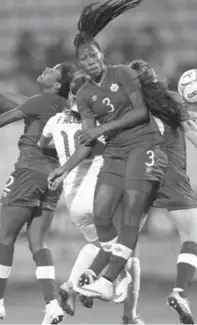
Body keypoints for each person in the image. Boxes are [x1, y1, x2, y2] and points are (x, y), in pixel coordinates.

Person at [48, 0, 171, 304]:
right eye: (84, 58)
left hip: (144, 145)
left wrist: (101, 129)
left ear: (102, 55)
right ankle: (118, 272)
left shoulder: (122, 75)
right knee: (102, 214)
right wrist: (64, 169)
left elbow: (141, 112)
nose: (89, 60)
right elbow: (87, 139)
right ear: (79, 64)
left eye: (93, 54)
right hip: (116, 151)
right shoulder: (86, 94)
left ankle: (108, 277)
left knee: (129, 215)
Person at [128, 59, 197, 324]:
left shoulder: (127, 105)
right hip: (170, 173)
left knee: (127, 243)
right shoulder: (167, 97)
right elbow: (191, 131)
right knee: (191, 236)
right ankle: (180, 292)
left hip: (139, 175)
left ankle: (120, 302)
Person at [42, 72, 144, 324]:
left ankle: (71, 286)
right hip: (96, 189)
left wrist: (62, 164)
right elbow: (95, 146)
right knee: (125, 247)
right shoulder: (95, 120)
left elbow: (43, 145)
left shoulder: (54, 120)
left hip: (72, 198)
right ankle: (119, 287)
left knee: (101, 246)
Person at [0, 63, 75, 324]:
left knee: (4, 237)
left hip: (28, 171)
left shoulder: (40, 101)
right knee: (38, 242)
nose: (45, 67)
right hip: (54, 177)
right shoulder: (63, 104)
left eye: (53, 69)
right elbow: (24, 101)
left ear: (56, 84)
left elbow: (5, 118)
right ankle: (52, 305)